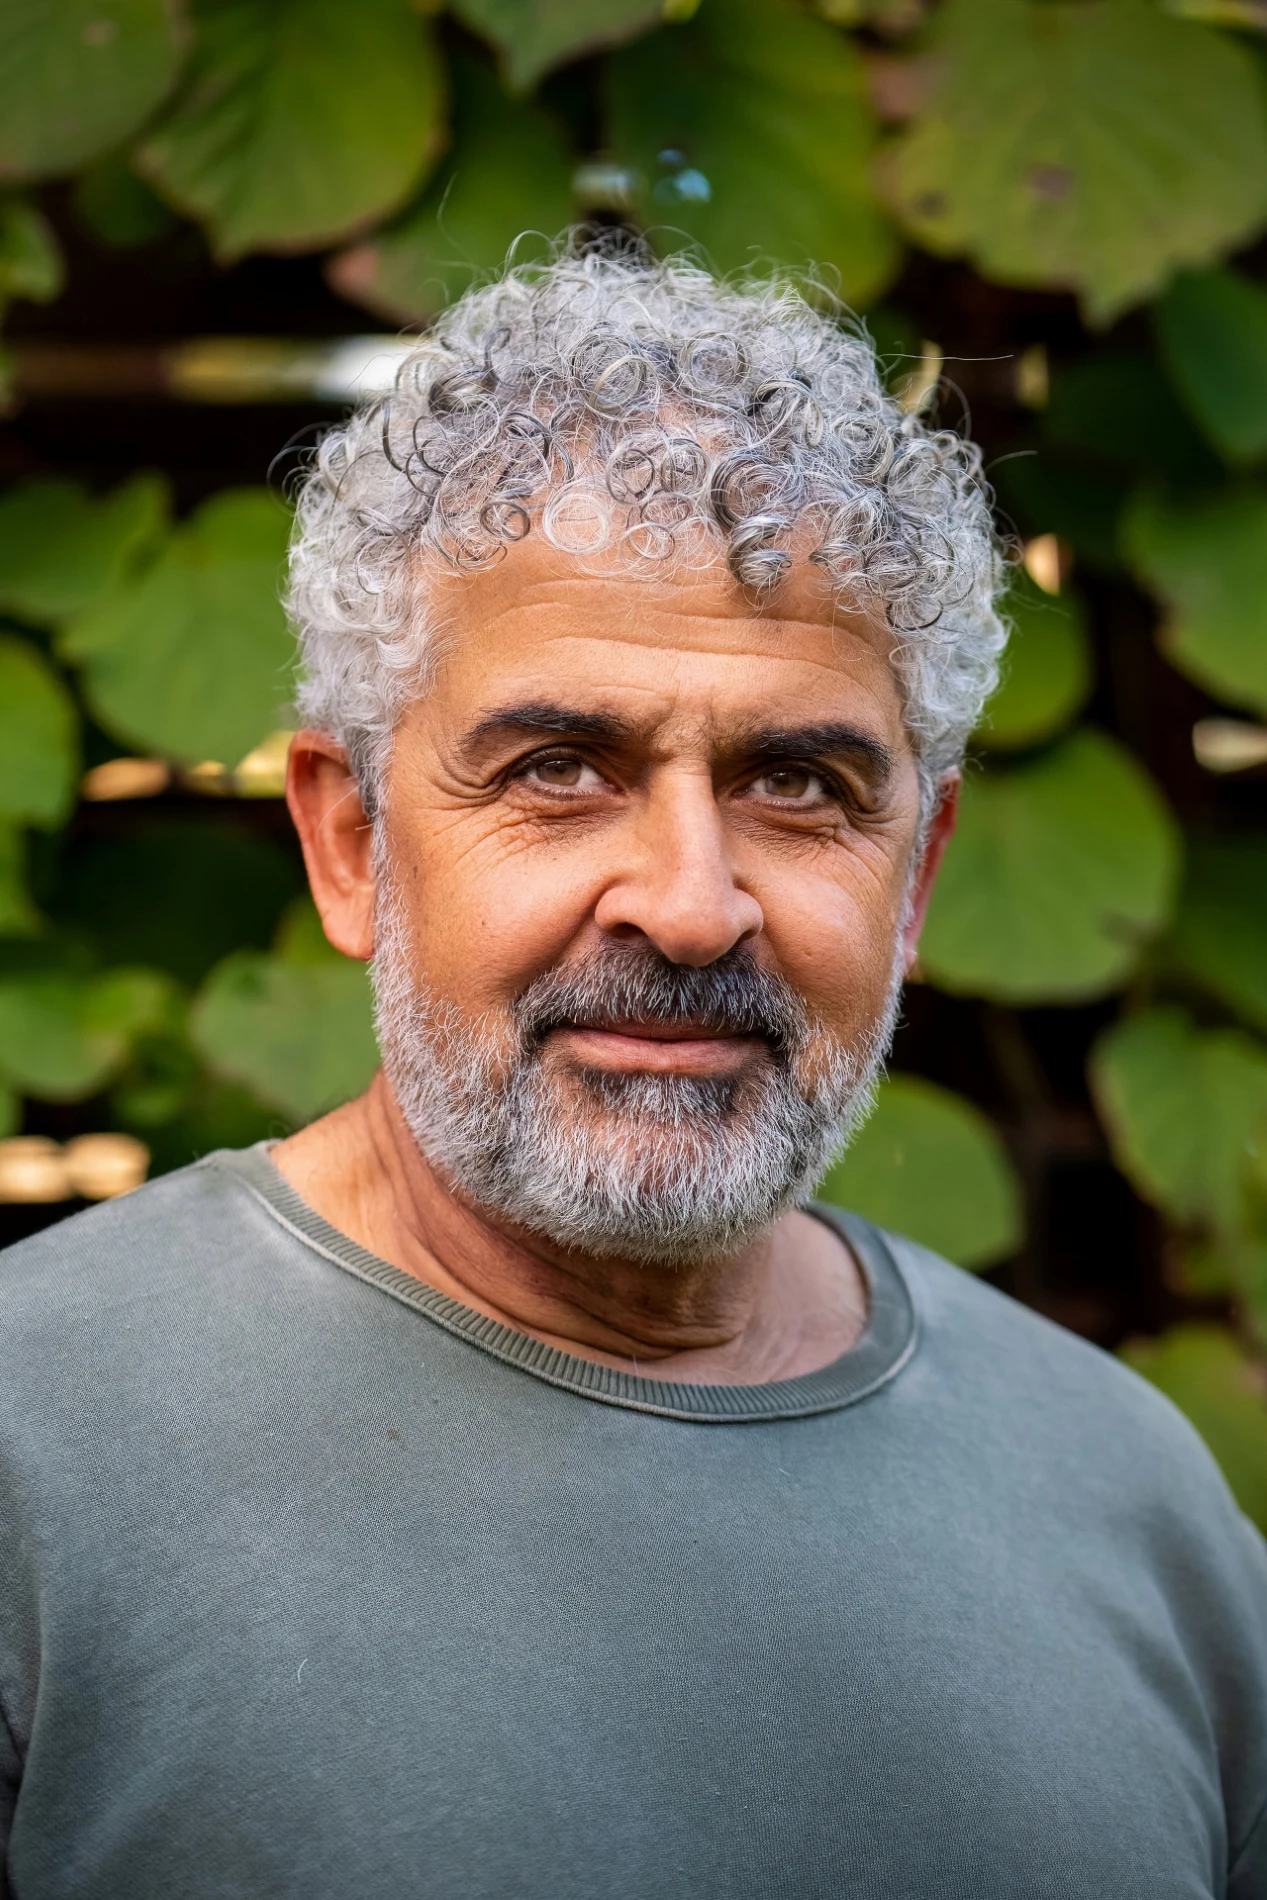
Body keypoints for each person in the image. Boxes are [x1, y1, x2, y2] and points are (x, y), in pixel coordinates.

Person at [1, 241, 1263, 1900]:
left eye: (800, 784)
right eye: (557, 766)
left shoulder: (1138, 1505)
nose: (687, 905)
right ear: (349, 840)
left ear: (919, 874)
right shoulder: (35, 1454)